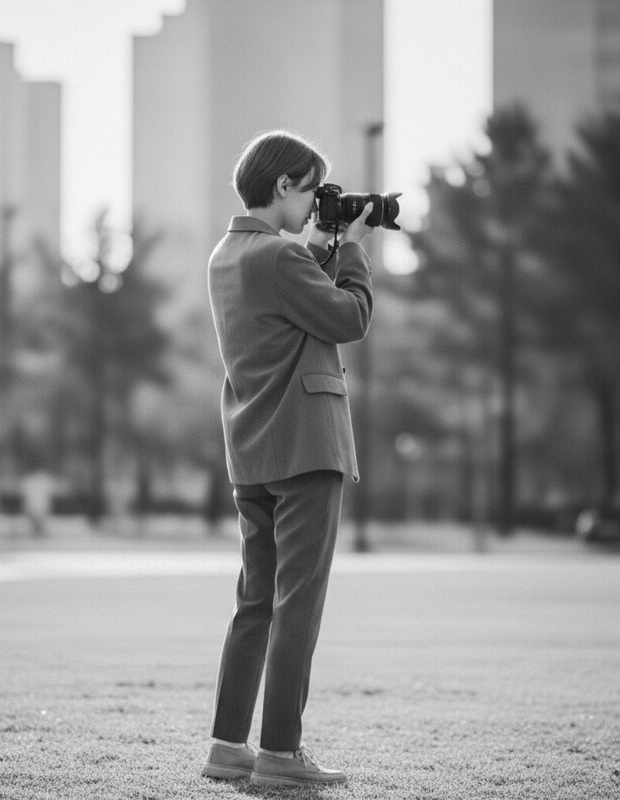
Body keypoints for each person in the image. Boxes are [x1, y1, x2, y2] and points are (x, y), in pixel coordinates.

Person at [201, 130, 374, 787]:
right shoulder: (278, 258)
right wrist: (352, 251)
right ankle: (278, 754)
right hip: (306, 444)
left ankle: (229, 746)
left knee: (256, 603)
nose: (314, 206)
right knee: (297, 604)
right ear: (283, 186)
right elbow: (348, 318)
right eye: (310, 190)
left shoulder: (229, 253)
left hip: (254, 446)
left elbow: (297, 309)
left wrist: (324, 254)